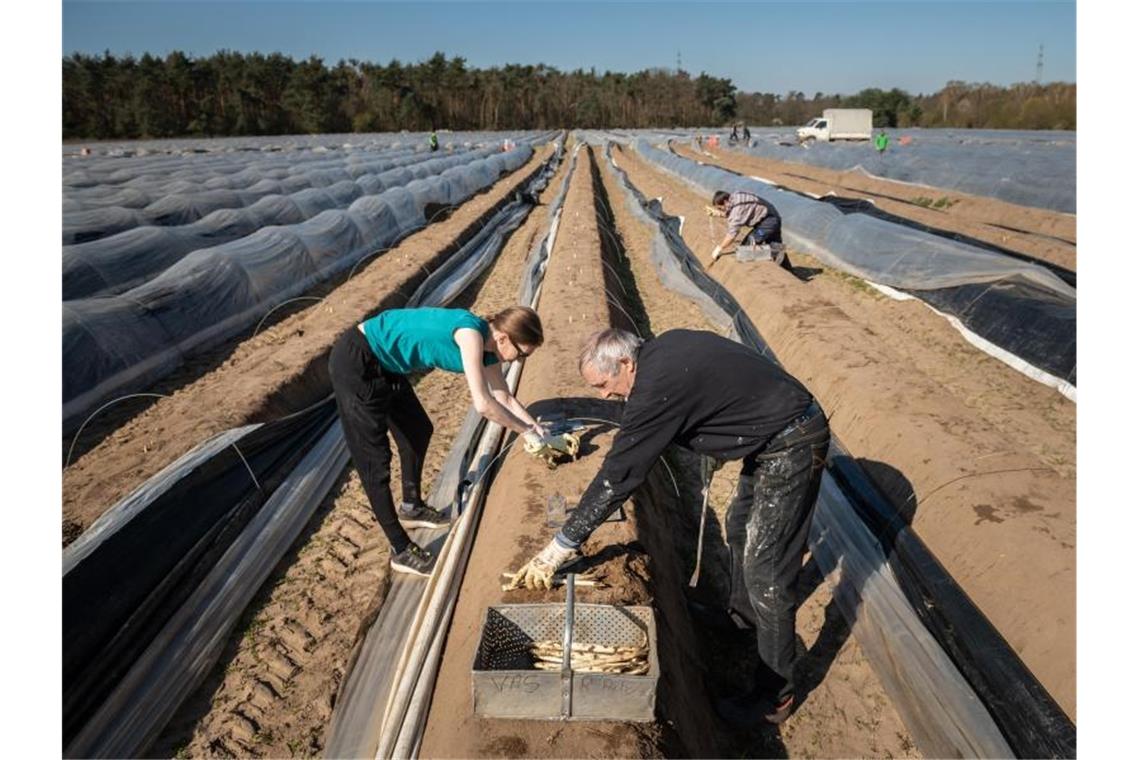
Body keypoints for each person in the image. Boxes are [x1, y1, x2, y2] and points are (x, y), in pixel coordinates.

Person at [509, 328, 831, 724]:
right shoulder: (661, 352)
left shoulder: (658, 385)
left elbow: (619, 475)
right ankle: (743, 619)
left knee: (766, 570)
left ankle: (774, 696)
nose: (605, 396)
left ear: (626, 363)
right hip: (769, 433)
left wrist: (561, 546)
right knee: (739, 525)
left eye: (604, 384)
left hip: (791, 440)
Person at [329, 305, 554, 576]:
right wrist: (524, 432)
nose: (518, 361)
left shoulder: (492, 350)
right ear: (504, 337)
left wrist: (535, 427)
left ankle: (411, 507)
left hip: (387, 365)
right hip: (358, 359)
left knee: (418, 429)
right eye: (521, 355)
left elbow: (503, 397)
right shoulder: (471, 336)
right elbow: (483, 404)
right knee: (375, 461)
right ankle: (400, 549)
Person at [708, 189, 793, 272]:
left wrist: (720, 248)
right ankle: (790, 272)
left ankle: (773, 253)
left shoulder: (737, 211)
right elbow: (738, 211)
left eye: (720, 208)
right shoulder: (736, 195)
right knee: (775, 243)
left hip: (768, 222)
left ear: (725, 202)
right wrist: (718, 214)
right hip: (772, 216)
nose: (720, 210)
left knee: (746, 248)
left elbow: (731, 235)